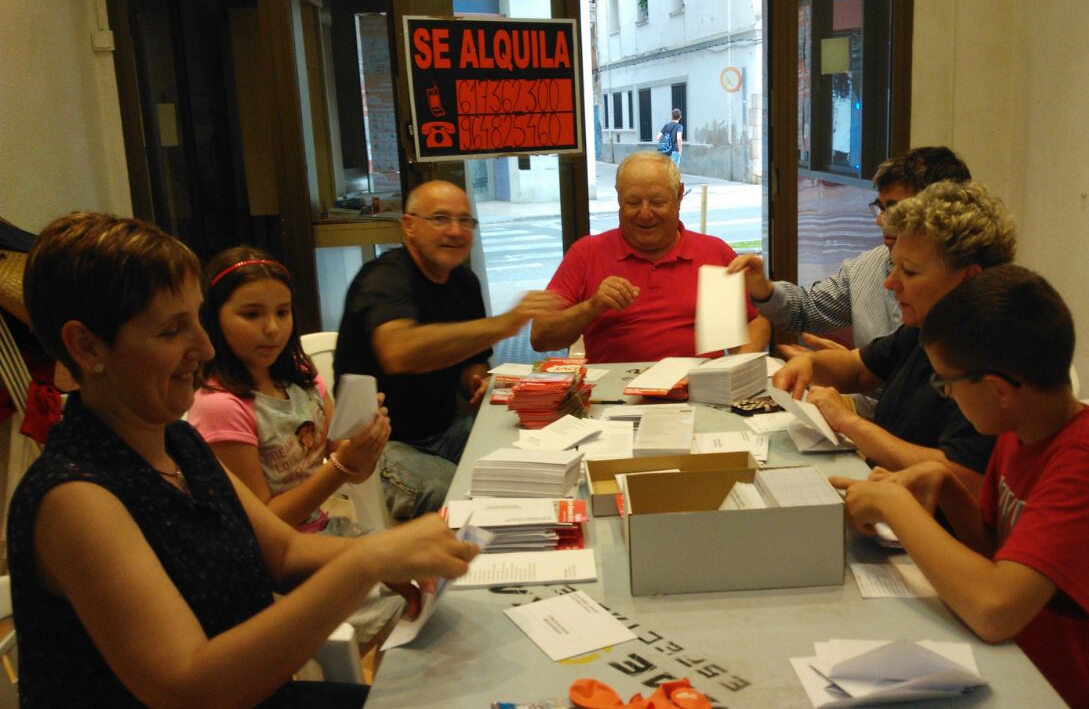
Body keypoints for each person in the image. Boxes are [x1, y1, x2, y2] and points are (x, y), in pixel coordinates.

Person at [8, 213, 478, 709]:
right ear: (86, 346)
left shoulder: (177, 443)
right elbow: (189, 687)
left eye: (197, 319)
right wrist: (367, 561)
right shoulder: (75, 498)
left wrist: (388, 552)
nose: (204, 346)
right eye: (172, 330)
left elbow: (284, 553)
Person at [829, 265, 1089, 709]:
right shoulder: (1019, 430)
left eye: (947, 384)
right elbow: (996, 554)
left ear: (999, 390)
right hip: (1014, 664)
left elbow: (995, 609)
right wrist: (947, 487)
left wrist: (893, 506)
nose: (947, 396)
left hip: (1067, 693)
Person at [188, 246, 405, 649]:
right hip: (277, 566)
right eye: (251, 314)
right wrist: (342, 466)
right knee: (404, 609)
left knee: (423, 581)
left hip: (325, 530)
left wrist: (367, 444)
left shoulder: (301, 377)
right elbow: (266, 524)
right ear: (214, 318)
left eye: (283, 312)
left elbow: (354, 470)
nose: (272, 328)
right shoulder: (221, 406)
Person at [335, 180, 561, 519]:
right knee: (463, 496)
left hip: (445, 429)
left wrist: (477, 381)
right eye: (440, 219)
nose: (455, 231)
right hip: (378, 446)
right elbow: (399, 351)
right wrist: (506, 323)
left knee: (531, 463)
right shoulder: (384, 278)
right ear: (408, 226)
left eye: (465, 221)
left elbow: (473, 364)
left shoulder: (464, 283)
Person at [775, 180, 1016, 495]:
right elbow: (859, 369)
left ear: (968, 278)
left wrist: (849, 422)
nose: (890, 283)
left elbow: (961, 476)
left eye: (910, 272)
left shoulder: (992, 358)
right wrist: (811, 364)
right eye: (894, 267)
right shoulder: (926, 328)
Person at [728, 146, 971, 355]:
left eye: (896, 209)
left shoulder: (962, 282)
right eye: (880, 207)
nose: (880, 220)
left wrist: (857, 370)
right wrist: (764, 289)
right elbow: (807, 309)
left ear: (942, 211)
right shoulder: (868, 266)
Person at [530, 152, 770, 362]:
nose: (645, 214)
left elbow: (754, 320)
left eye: (657, 202)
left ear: (679, 196)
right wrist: (591, 307)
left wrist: (739, 367)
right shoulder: (587, 253)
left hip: (699, 391)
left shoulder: (713, 253)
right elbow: (540, 337)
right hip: (615, 394)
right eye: (633, 202)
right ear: (618, 198)